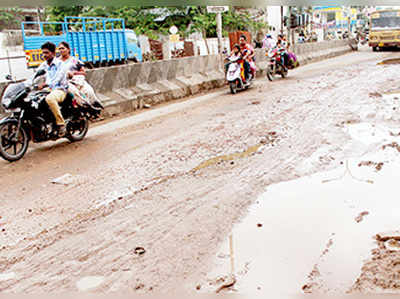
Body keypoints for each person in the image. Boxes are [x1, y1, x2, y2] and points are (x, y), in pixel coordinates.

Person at [58, 41, 102, 109]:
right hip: (64, 83)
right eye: (59, 49)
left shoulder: (74, 60)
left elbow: (83, 72)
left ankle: (94, 106)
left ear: (68, 49)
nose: (61, 50)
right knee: (73, 91)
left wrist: (74, 73)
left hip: (77, 81)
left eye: (63, 48)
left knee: (89, 91)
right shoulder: (57, 62)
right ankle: (83, 106)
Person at [36, 41, 68, 136]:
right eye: (43, 53)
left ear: (53, 53)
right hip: (48, 90)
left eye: (46, 53)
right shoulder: (44, 65)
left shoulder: (60, 64)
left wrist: (46, 84)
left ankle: (61, 123)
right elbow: (35, 76)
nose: (44, 55)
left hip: (60, 89)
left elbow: (57, 79)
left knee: (50, 99)